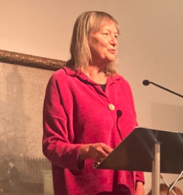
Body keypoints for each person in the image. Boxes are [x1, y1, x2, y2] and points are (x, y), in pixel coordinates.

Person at [42, 11, 145, 195]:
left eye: (116, 35)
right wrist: (86, 150)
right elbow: (52, 145)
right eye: (106, 34)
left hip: (124, 189)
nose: (114, 41)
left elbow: (134, 142)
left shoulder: (122, 86)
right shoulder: (63, 81)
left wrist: (139, 182)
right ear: (85, 38)